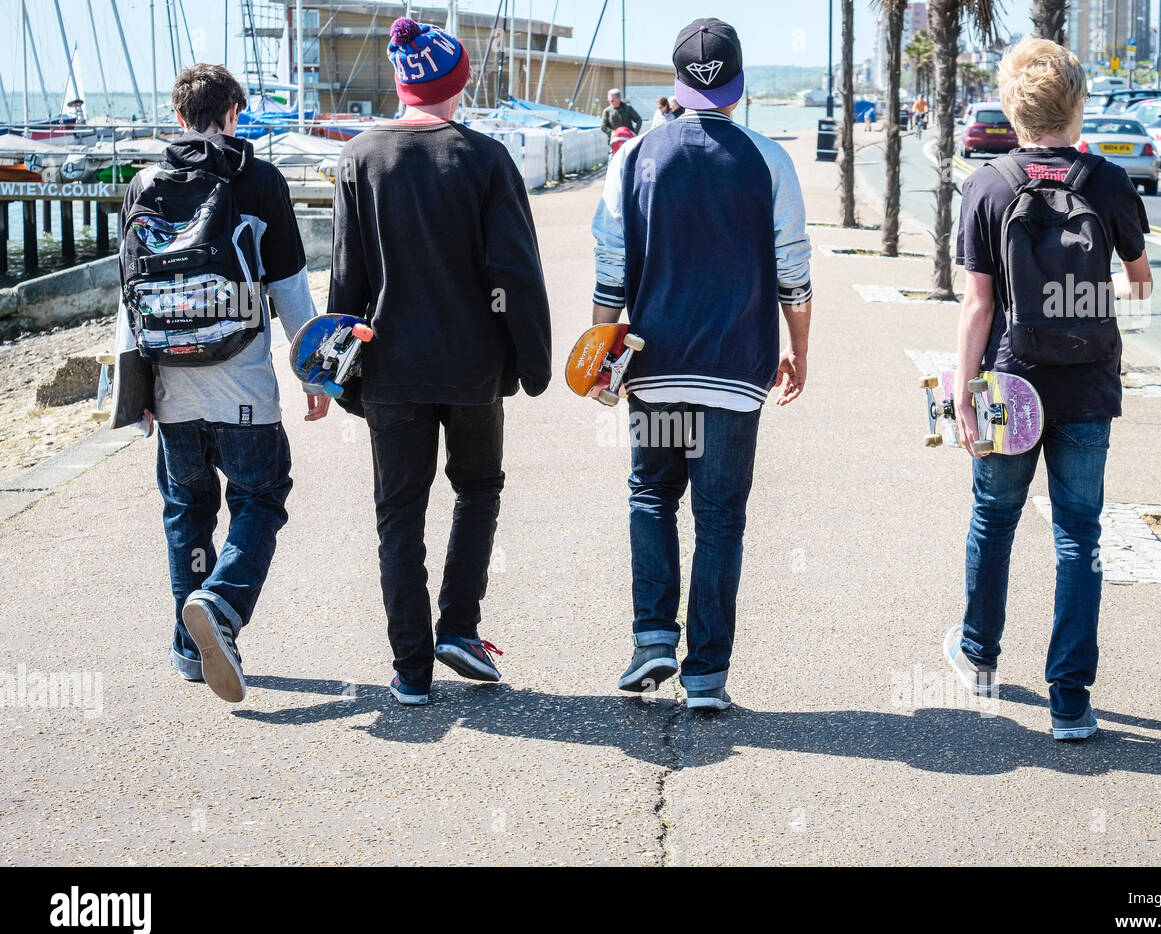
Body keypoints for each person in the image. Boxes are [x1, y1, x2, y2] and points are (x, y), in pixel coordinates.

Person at [326, 17, 551, 706]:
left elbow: (346, 280)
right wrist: (532, 362)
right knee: (477, 488)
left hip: (389, 364)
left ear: (402, 84)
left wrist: (339, 372)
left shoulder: (358, 158)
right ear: (457, 85)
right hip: (472, 365)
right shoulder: (484, 159)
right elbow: (514, 272)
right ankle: (458, 626)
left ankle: (411, 671)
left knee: (399, 514)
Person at [591, 18, 812, 711]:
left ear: (678, 83)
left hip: (655, 369)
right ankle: (707, 675)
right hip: (736, 371)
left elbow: (609, 270)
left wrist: (600, 353)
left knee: (652, 495)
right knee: (719, 520)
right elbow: (793, 273)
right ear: (740, 86)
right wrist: (798, 349)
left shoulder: (633, 157)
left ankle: (652, 637)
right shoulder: (768, 160)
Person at [949, 37, 1153, 740]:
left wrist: (962, 389)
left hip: (1010, 383)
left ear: (1013, 110)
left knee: (994, 518)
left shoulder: (988, 184)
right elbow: (1140, 279)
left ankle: (978, 656)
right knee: (1078, 538)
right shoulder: (1108, 182)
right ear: (1076, 107)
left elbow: (977, 306)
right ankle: (1070, 700)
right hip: (1088, 386)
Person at [113, 64, 324, 702]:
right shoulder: (257, 177)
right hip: (244, 388)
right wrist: (313, 369)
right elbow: (288, 283)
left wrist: (134, 392)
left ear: (179, 117)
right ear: (234, 113)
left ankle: (188, 649)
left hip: (171, 388)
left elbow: (127, 295)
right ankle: (223, 609)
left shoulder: (144, 182)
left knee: (187, 509)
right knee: (260, 500)